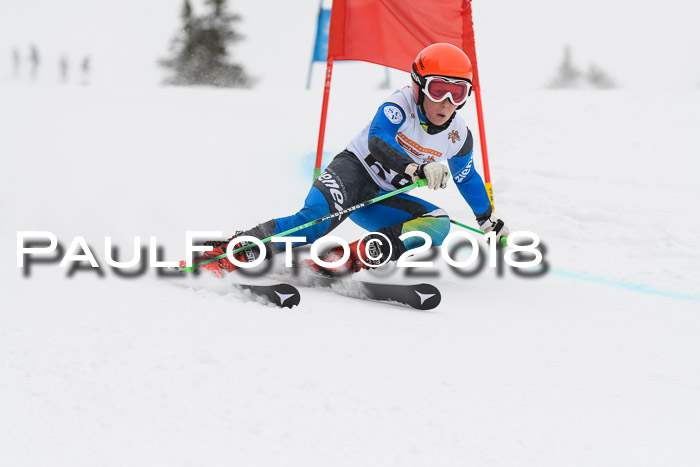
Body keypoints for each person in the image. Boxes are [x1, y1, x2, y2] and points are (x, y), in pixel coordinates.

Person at [193, 43, 510, 277]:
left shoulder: (458, 134)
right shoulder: (399, 105)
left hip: (382, 200)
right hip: (352, 174)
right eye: (439, 89)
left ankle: (346, 258)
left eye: (458, 93)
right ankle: (233, 251)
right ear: (418, 86)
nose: (447, 102)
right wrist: (417, 167)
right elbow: (378, 140)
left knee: (438, 224)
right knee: (312, 224)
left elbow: (466, 177)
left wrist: (487, 220)